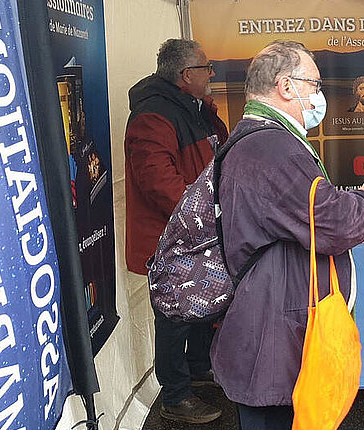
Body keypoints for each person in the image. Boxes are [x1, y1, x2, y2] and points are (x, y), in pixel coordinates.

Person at [210, 40, 364, 429]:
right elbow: (329, 222)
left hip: (270, 324)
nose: (319, 94)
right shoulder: (274, 148)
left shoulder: (261, 141)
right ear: (286, 86)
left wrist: (360, 211)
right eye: (314, 83)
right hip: (276, 336)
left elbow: (305, 213)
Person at [124, 38, 227, 424]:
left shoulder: (196, 109)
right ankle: (175, 395)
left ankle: (198, 369)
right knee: (173, 317)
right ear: (186, 75)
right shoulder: (153, 116)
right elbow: (157, 180)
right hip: (170, 239)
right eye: (207, 68)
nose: (212, 74)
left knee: (202, 305)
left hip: (197, 234)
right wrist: (204, 213)